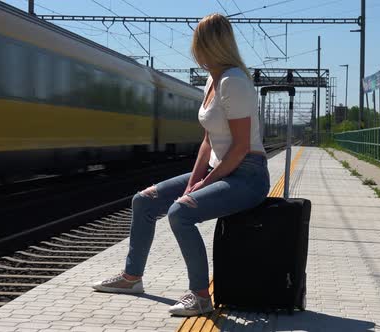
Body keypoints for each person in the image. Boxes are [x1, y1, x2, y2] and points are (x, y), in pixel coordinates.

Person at [92, 13, 270, 317]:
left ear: (210, 45)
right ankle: (131, 278)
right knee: (143, 201)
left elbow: (240, 147)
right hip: (222, 168)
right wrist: (194, 181)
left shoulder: (234, 82)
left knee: (180, 213)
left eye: (197, 42)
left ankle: (201, 296)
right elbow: (207, 141)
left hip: (248, 175)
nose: (193, 49)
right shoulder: (212, 82)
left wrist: (205, 184)